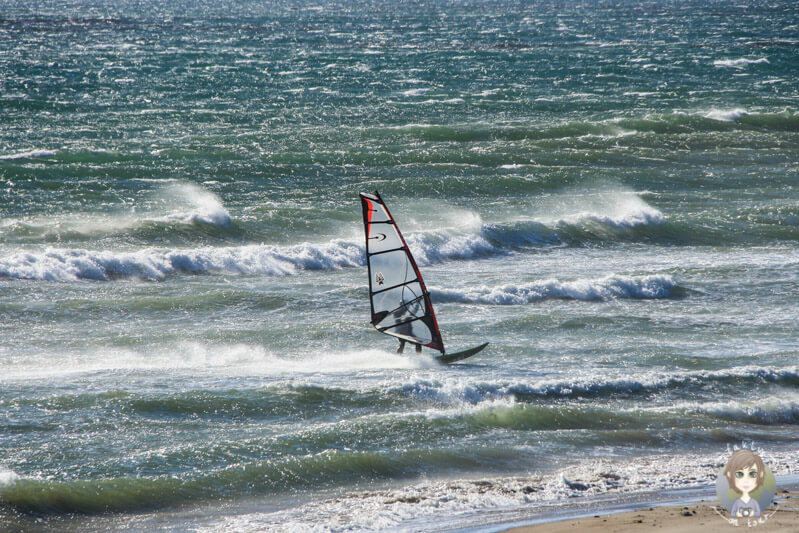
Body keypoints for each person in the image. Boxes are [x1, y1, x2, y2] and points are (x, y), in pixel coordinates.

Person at [724, 449, 766, 517]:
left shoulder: (753, 502)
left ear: (761, 474)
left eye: (752, 474)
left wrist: (752, 513)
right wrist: (738, 514)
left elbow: (758, 513)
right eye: (739, 474)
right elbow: (733, 513)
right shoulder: (737, 502)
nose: (746, 480)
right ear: (729, 475)